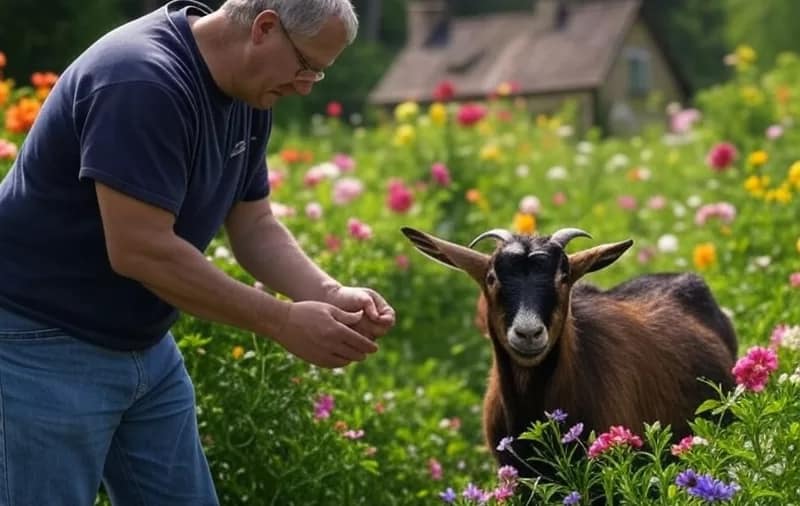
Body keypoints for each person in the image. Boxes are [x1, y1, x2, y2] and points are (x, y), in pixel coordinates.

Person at [0, 0, 395, 504]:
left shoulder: (250, 93)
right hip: (41, 342)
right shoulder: (143, 81)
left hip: (143, 346)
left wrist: (329, 292)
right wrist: (281, 321)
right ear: (265, 28)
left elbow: (253, 223)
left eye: (317, 74)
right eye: (306, 66)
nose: (305, 85)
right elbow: (141, 251)